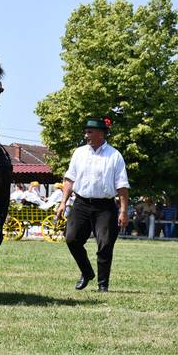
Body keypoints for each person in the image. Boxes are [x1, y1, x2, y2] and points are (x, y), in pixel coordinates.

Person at [56, 117, 130, 292]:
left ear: (101, 133)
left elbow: (122, 185)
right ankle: (87, 272)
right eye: (86, 131)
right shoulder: (79, 153)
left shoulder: (114, 155)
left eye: (89, 132)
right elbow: (69, 179)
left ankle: (103, 285)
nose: (86, 135)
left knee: (105, 244)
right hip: (81, 203)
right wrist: (63, 202)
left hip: (105, 206)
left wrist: (124, 211)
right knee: (71, 239)